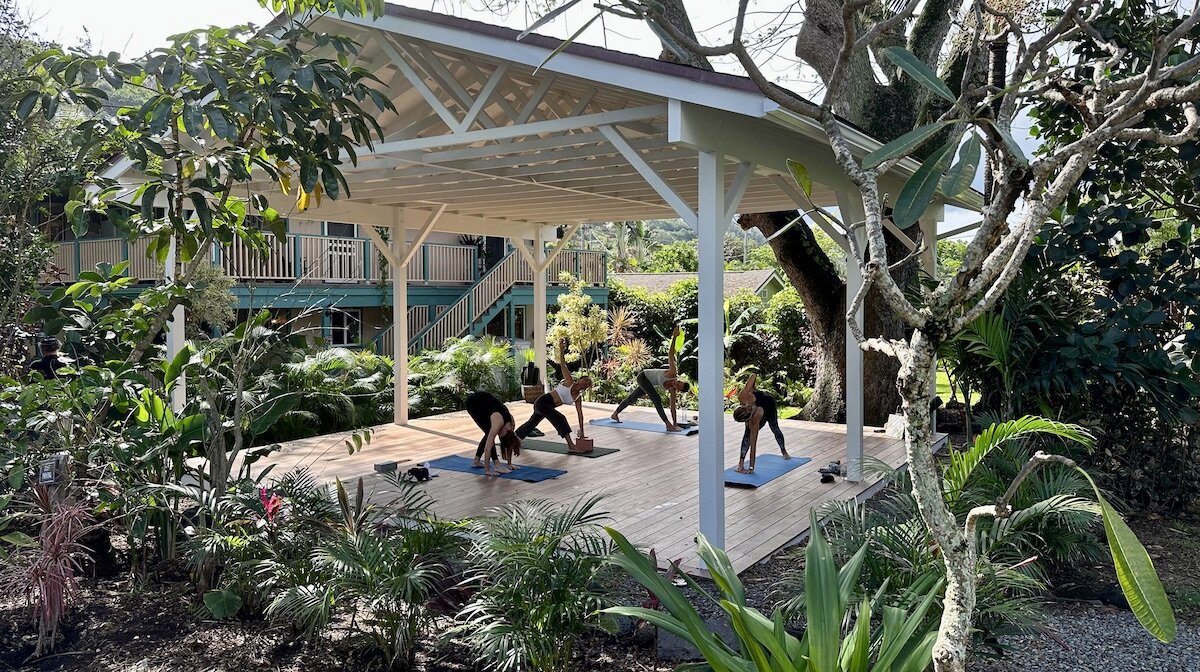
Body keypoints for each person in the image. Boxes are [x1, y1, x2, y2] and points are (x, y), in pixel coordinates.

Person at [516, 340, 593, 452]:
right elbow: (563, 364)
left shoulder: (577, 398)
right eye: (585, 380)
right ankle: (571, 446)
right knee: (560, 419)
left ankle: (515, 437)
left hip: (549, 407)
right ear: (580, 379)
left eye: (588, 383)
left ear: (586, 387)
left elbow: (580, 415)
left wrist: (582, 432)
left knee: (532, 423)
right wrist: (561, 349)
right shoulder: (569, 381)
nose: (585, 382)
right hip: (543, 402)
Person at [611, 324, 690, 431]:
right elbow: (671, 354)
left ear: (677, 389)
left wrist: (675, 423)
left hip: (648, 382)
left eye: (677, 385)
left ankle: (615, 414)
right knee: (656, 398)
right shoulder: (672, 372)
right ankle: (667, 424)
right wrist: (675, 337)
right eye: (678, 381)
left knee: (632, 398)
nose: (675, 382)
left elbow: (672, 408)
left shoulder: (672, 391)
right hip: (643, 377)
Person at [732, 373, 790, 474]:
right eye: (749, 410)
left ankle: (783, 451)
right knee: (747, 435)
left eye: (746, 407)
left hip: (770, 405)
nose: (749, 407)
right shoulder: (753, 420)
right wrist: (749, 467)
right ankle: (740, 463)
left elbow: (753, 375)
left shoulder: (743, 396)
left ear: (742, 405)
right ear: (748, 418)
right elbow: (753, 444)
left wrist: (751, 387)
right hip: (758, 414)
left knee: (774, 428)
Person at [466, 390, 523, 477]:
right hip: (474, 403)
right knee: (489, 434)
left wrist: (509, 464)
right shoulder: (498, 421)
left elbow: (510, 443)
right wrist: (488, 470)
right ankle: (496, 464)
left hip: (487, 403)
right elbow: (487, 448)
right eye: (500, 436)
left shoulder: (510, 427)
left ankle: (476, 461)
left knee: (489, 434)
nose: (499, 435)